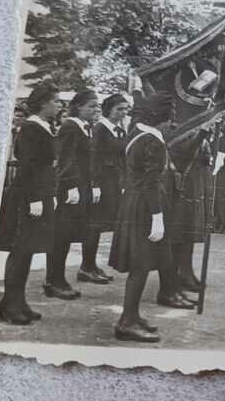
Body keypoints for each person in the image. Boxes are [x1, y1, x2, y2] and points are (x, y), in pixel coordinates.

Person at [111, 92, 183, 342]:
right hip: (144, 206)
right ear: (158, 118)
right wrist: (158, 217)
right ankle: (126, 322)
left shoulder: (135, 134)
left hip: (132, 202)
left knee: (139, 265)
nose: (171, 123)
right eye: (169, 117)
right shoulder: (153, 141)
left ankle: (133, 314)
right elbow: (152, 182)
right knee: (140, 266)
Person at [0, 86, 60, 325]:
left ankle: (17, 302)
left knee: (28, 250)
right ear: (43, 103)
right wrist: (34, 199)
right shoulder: (31, 129)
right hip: (27, 197)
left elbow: (46, 167)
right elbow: (27, 167)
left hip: (40, 194)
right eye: (55, 101)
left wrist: (50, 194)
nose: (59, 105)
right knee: (20, 251)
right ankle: (10, 305)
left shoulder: (44, 127)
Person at [45, 91, 104, 299]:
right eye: (92, 106)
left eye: (97, 106)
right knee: (61, 235)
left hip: (83, 189)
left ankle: (58, 279)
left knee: (69, 234)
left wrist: (93, 185)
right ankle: (54, 280)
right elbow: (66, 158)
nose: (96, 110)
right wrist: (71, 186)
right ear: (78, 106)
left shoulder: (86, 128)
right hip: (71, 190)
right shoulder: (71, 127)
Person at [85, 93, 130, 279]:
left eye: (126, 109)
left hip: (114, 183)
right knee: (94, 225)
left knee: (101, 224)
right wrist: (95, 184)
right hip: (102, 183)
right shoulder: (100, 129)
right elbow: (93, 158)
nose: (123, 113)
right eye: (119, 109)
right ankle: (87, 267)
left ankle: (91, 265)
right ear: (108, 109)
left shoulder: (119, 130)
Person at [166, 126, 212, 300]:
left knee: (189, 232)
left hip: (195, 185)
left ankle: (186, 270)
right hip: (180, 188)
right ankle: (174, 277)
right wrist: (203, 133)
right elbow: (185, 153)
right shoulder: (179, 131)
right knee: (178, 236)